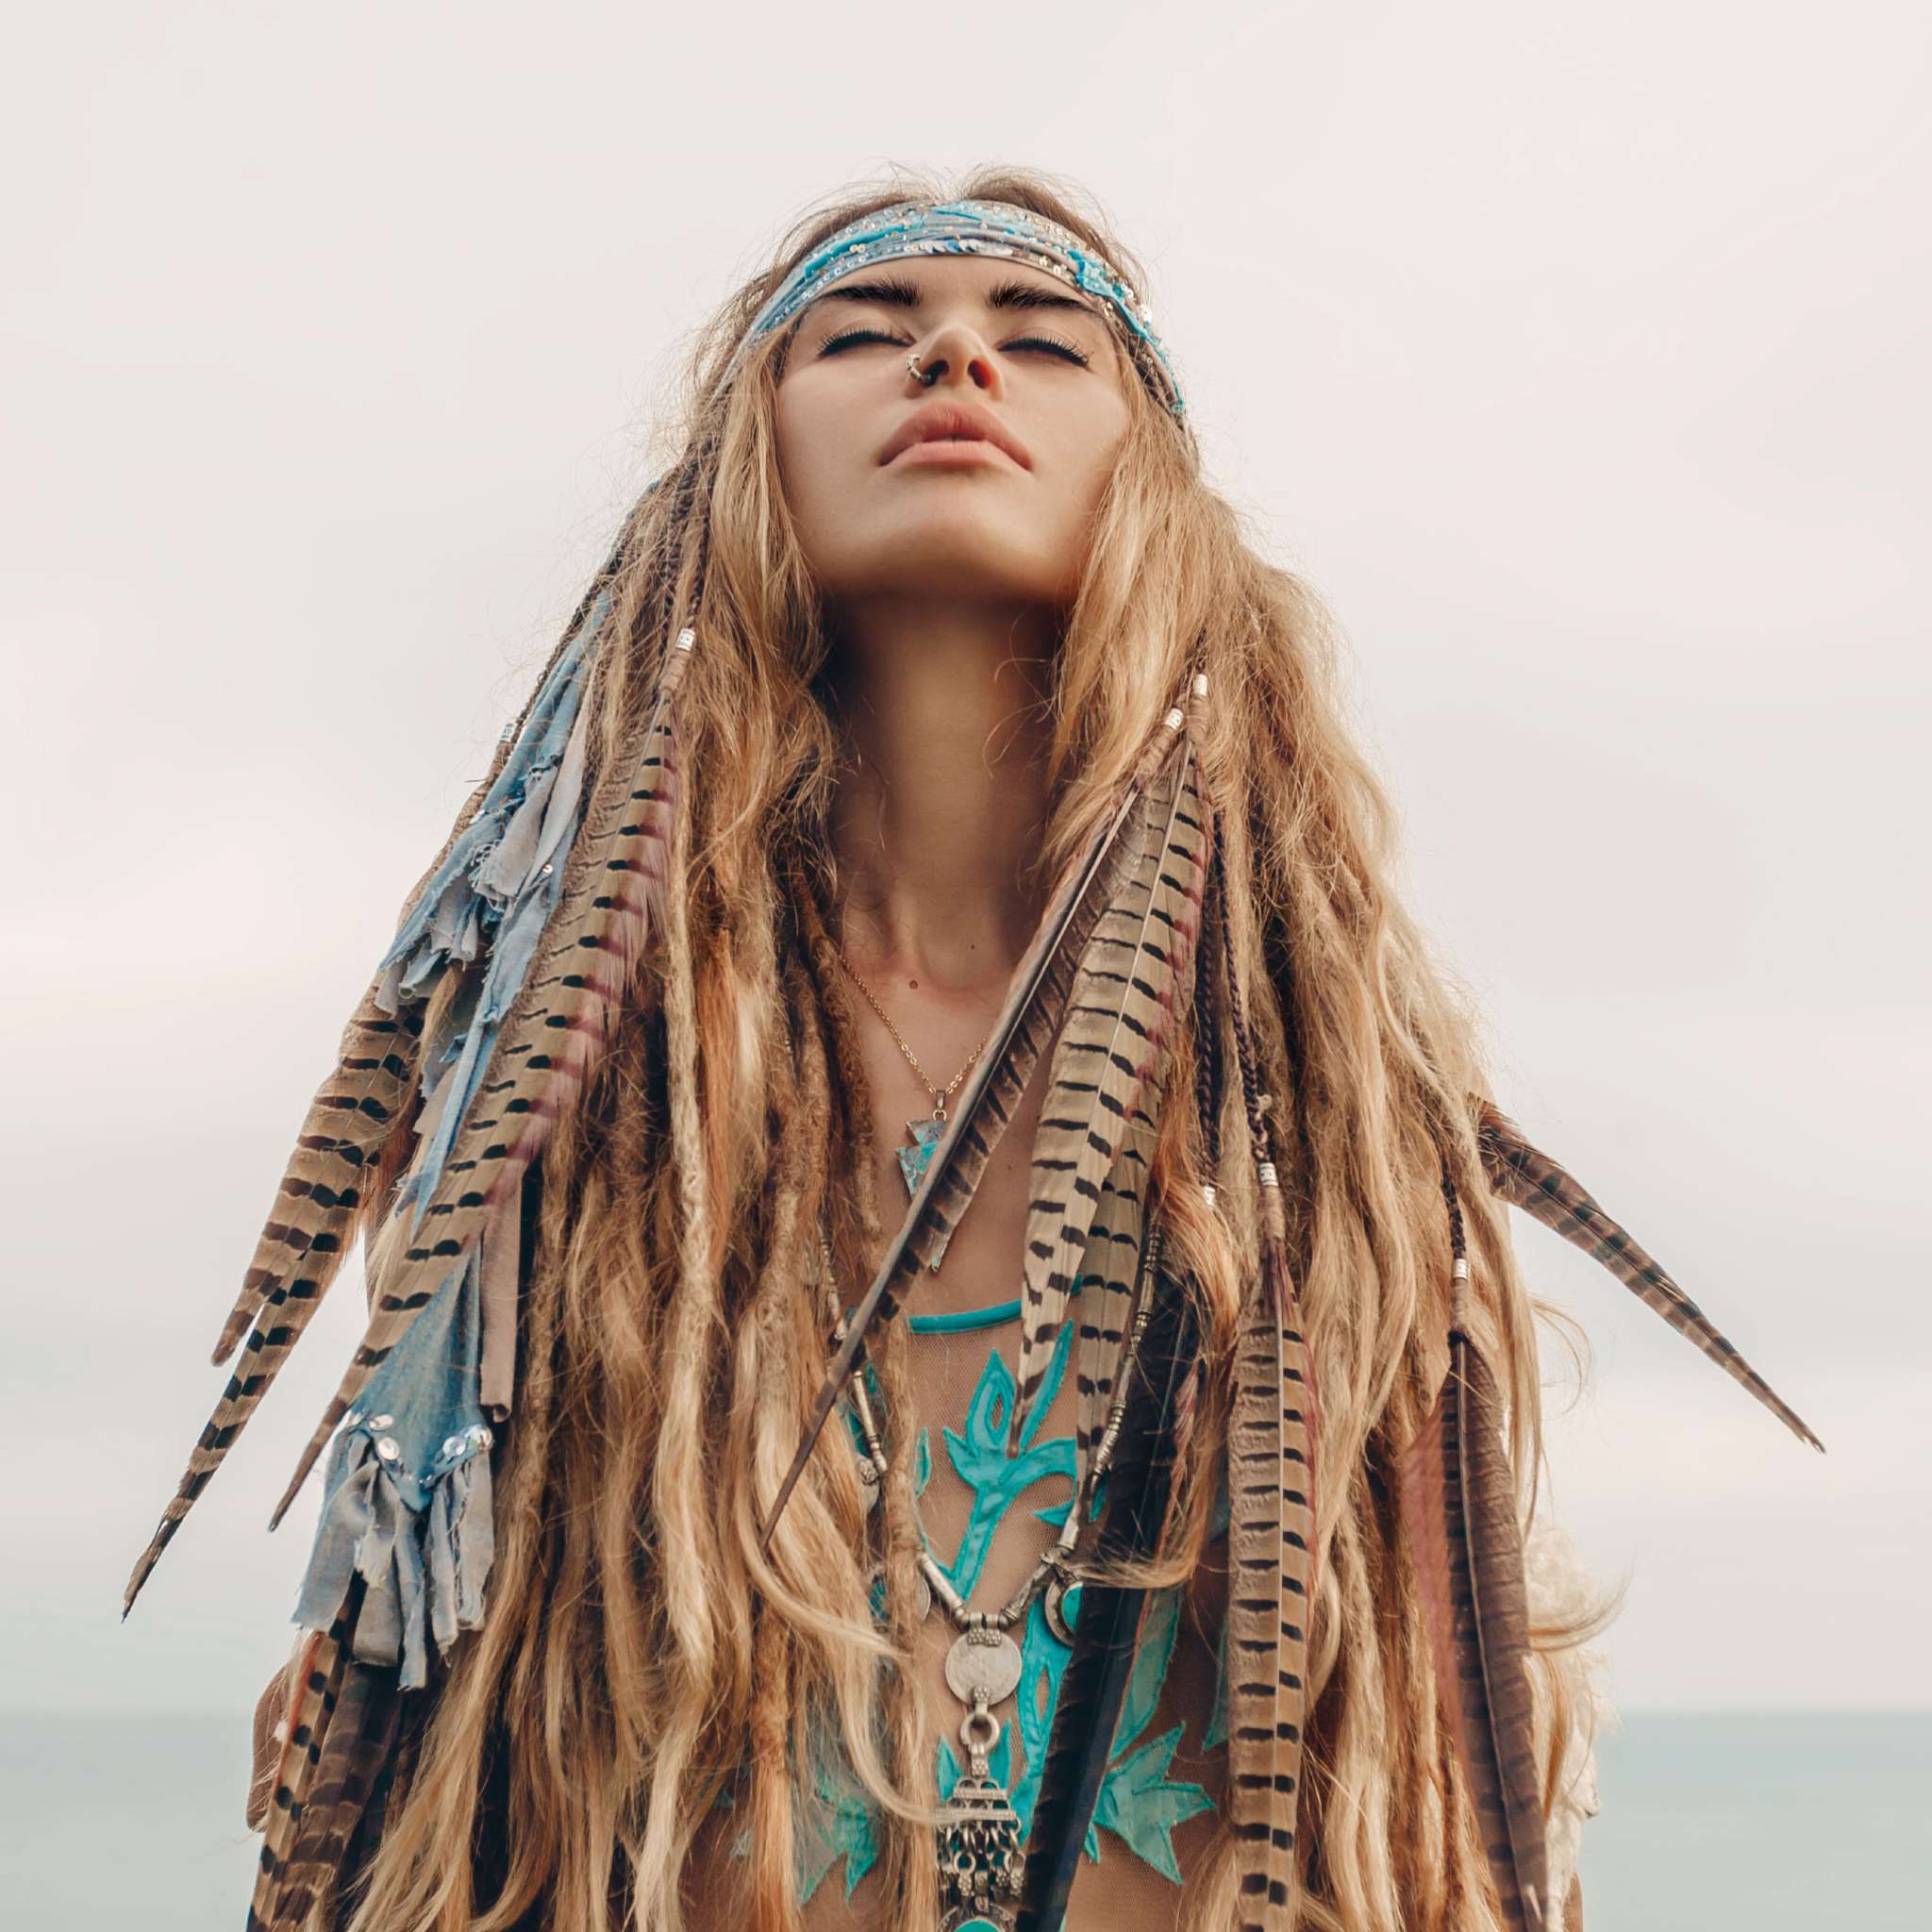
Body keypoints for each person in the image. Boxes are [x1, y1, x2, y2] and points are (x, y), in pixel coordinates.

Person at [126, 168, 1817, 1932]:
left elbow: (1440, 1750)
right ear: (741, 468)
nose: (954, 353)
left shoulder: (1320, 1110)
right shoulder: (588, 1105)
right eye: (865, 331)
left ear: (1149, 482)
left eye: (1042, 337)